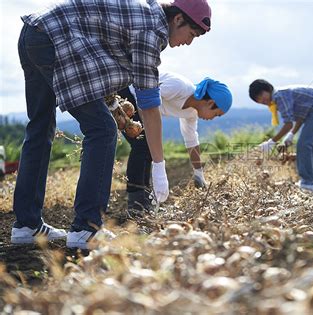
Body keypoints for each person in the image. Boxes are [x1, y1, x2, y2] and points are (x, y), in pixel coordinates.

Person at [11, 0, 212, 249]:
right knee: (102, 130)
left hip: (36, 31)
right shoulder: (153, 29)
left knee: (41, 126)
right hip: (56, 37)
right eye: (191, 34)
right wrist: (159, 168)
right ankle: (87, 228)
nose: (189, 42)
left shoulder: (146, 13)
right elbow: (148, 105)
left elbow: (102, 55)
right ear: (178, 19)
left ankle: (26, 225)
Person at [117, 72, 232, 215]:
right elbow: (146, 99)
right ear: (210, 103)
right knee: (143, 145)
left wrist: (198, 173)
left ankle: (144, 202)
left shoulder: (191, 113)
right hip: (128, 94)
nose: (213, 119)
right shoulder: (180, 87)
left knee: (147, 147)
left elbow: (191, 140)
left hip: (143, 108)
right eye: (216, 114)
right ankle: (136, 205)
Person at [248, 79, 313, 193]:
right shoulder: (278, 98)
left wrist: (271, 143)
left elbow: (288, 124)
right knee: (311, 147)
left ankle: (307, 184)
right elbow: (300, 117)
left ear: (268, 89)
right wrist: (291, 134)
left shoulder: (279, 97)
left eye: (260, 95)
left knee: (303, 145)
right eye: (257, 99)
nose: (261, 100)